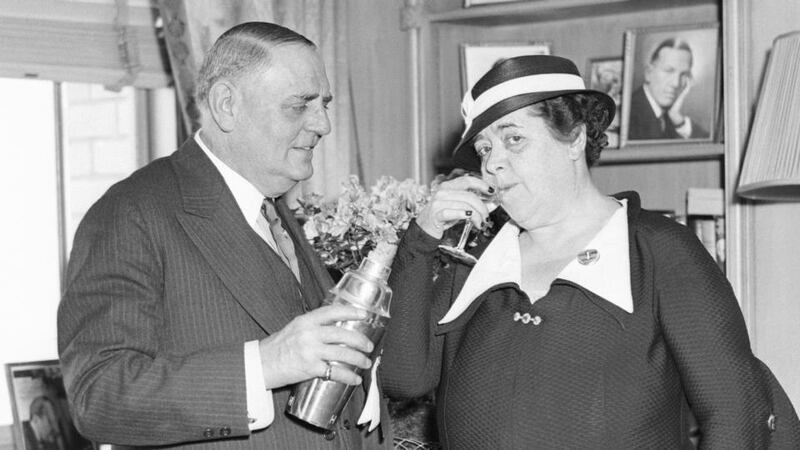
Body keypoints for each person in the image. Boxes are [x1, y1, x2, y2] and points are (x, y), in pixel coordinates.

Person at [380, 55, 799, 448]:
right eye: (485, 149)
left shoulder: (659, 250)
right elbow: (404, 378)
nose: (492, 164)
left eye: (514, 139)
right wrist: (421, 239)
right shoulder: (476, 258)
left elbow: (736, 413)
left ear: (575, 139)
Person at [58, 22, 390, 449]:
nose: (323, 124)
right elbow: (98, 397)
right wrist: (265, 364)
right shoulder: (131, 212)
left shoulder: (274, 210)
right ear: (226, 105)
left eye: (324, 104)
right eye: (299, 105)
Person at [628, 38, 709, 140]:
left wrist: (678, 119)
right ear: (648, 73)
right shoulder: (627, 114)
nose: (676, 83)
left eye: (684, 74)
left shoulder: (670, 116)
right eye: (668, 71)